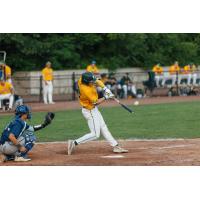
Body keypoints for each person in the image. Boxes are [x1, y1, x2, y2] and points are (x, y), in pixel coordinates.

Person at [68, 72, 128, 155]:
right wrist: (106, 97)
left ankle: (115, 146)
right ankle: (74, 143)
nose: (93, 82)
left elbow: (97, 81)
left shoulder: (82, 79)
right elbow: (95, 102)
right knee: (95, 134)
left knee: (103, 127)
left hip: (93, 110)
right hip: (89, 111)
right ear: (86, 82)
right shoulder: (86, 90)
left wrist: (105, 88)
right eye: (91, 82)